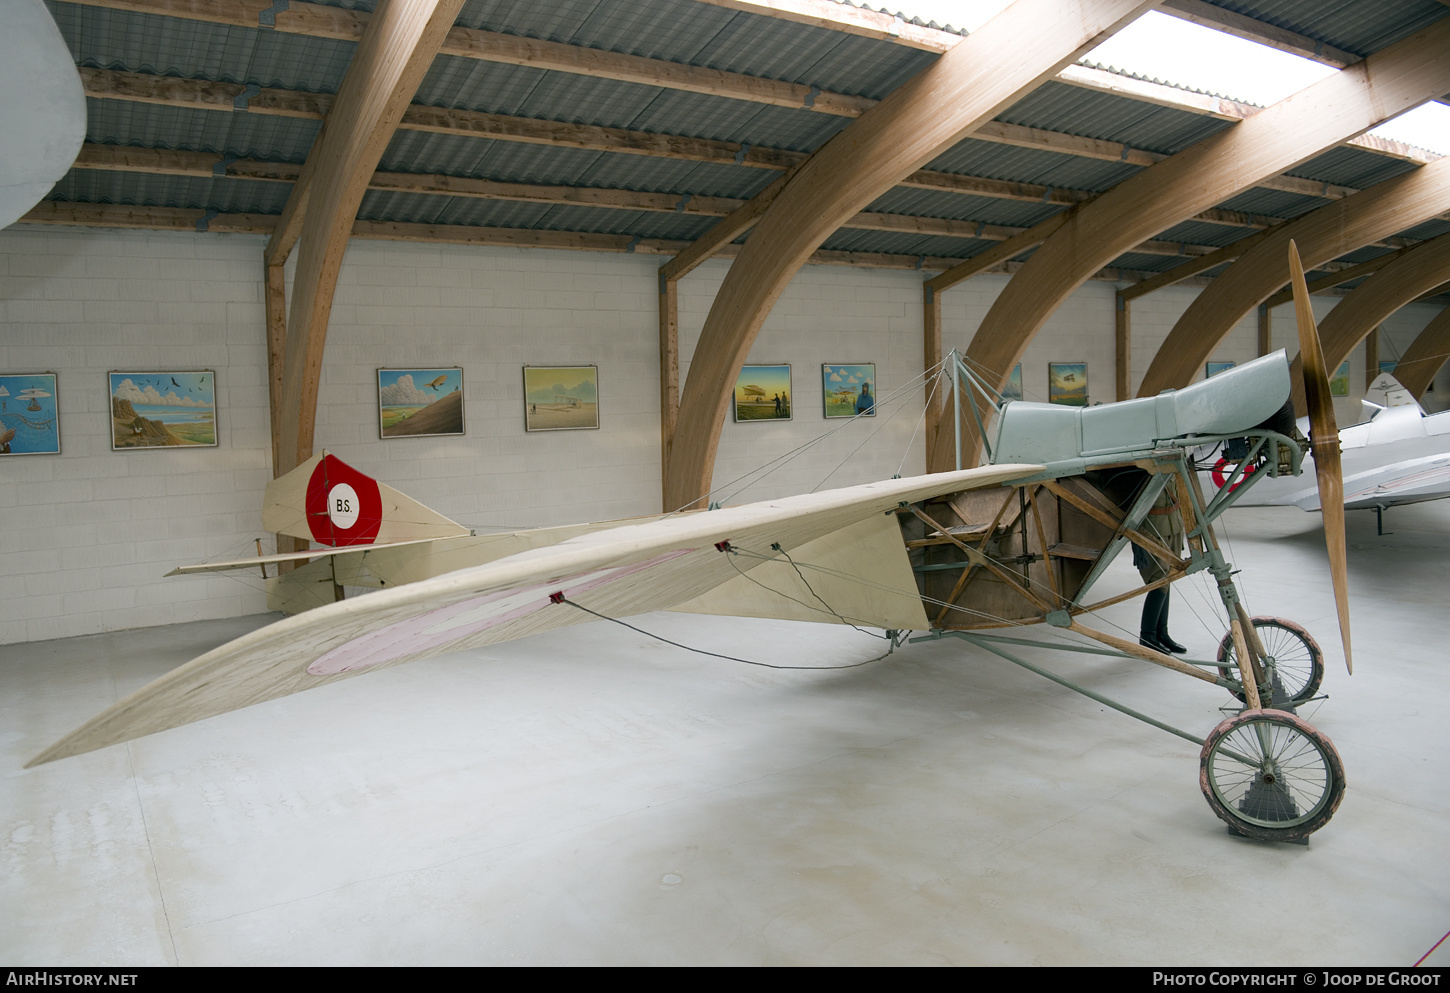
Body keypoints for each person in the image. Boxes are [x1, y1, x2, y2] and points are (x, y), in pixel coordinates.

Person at [1135, 479, 1186, 654]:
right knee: (1158, 581)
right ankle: (1147, 635)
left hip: (1174, 524)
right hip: (1153, 529)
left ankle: (1161, 633)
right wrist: (1136, 540)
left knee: (1168, 578)